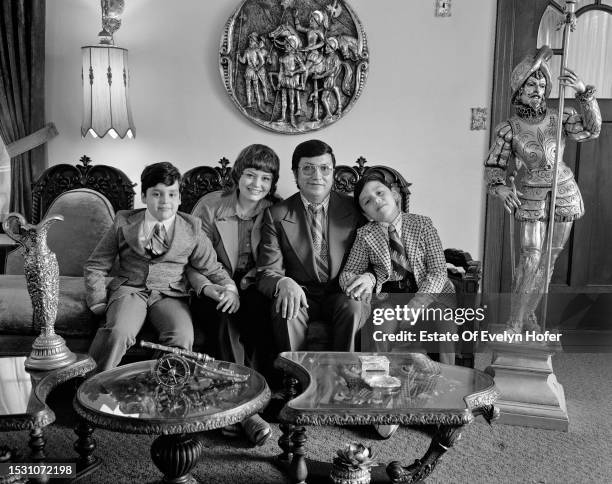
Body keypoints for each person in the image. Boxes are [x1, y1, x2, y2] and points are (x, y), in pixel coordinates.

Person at [484, 45, 601, 333]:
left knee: (549, 259)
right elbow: (493, 167)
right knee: (530, 257)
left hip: (563, 191)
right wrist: (499, 189)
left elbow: (592, 129)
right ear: (518, 90)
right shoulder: (509, 128)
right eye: (530, 84)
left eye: (541, 83)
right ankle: (514, 319)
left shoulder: (560, 115)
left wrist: (584, 93)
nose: (537, 89)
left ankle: (529, 314)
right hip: (530, 193)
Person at [85, 162, 238, 372]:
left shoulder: (192, 228)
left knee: (182, 337)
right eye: (157, 194)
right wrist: (97, 300)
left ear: (180, 198)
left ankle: (160, 387)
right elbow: (96, 264)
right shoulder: (124, 221)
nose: (165, 201)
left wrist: (230, 288)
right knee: (119, 332)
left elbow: (211, 268)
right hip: (131, 290)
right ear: (144, 196)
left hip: (171, 294)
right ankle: (92, 384)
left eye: (172, 194)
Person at [190, 144, 280, 445]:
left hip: (254, 285)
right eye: (251, 175)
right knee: (227, 316)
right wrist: (219, 287)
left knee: (260, 314)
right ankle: (247, 409)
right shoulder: (210, 206)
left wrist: (247, 283)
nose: (257, 184)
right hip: (212, 285)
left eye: (265, 179)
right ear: (238, 175)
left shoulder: (275, 210)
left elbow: (276, 261)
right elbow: (191, 258)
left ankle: (240, 404)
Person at [257, 139, 370, 352]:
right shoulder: (276, 215)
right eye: (308, 168)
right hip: (300, 293)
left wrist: (368, 277)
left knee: (353, 306)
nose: (317, 176)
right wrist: (282, 282)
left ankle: (344, 375)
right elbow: (266, 272)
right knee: (286, 307)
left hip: (341, 292)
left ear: (333, 172)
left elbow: (374, 254)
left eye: (324, 168)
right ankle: (295, 378)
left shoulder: (355, 209)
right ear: (295, 173)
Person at [339, 171, 457, 365]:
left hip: (427, 296)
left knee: (444, 322)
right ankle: (376, 379)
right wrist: (364, 283)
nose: (376, 201)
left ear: (394, 195)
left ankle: (447, 376)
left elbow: (438, 271)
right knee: (380, 324)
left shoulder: (422, 224)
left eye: (379, 193)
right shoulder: (365, 234)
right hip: (390, 300)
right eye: (367, 201)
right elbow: (348, 272)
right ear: (364, 213)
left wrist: (417, 305)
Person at [237, 32, 271, 111]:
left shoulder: (257, 50)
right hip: (248, 70)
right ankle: (249, 103)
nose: (250, 42)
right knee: (248, 87)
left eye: (251, 41)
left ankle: (259, 105)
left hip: (255, 71)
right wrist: (239, 55)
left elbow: (262, 61)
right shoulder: (247, 50)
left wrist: (258, 68)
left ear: (255, 42)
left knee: (256, 88)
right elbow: (243, 61)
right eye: (249, 41)